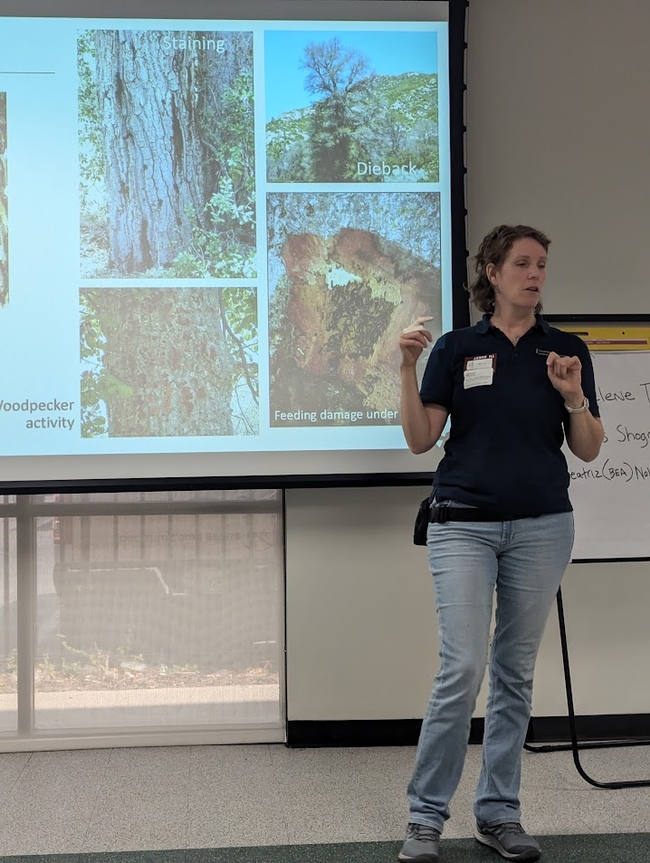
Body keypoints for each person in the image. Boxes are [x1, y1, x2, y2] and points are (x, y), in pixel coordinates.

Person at [397, 224, 604, 863]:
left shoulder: (565, 349)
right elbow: (418, 438)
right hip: (462, 522)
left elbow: (589, 448)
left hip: (543, 527)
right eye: (522, 263)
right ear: (492, 272)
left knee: (514, 673)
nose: (535, 274)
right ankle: (425, 820)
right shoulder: (458, 348)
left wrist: (573, 397)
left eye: (542, 264)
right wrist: (405, 367)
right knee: (462, 667)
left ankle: (499, 814)